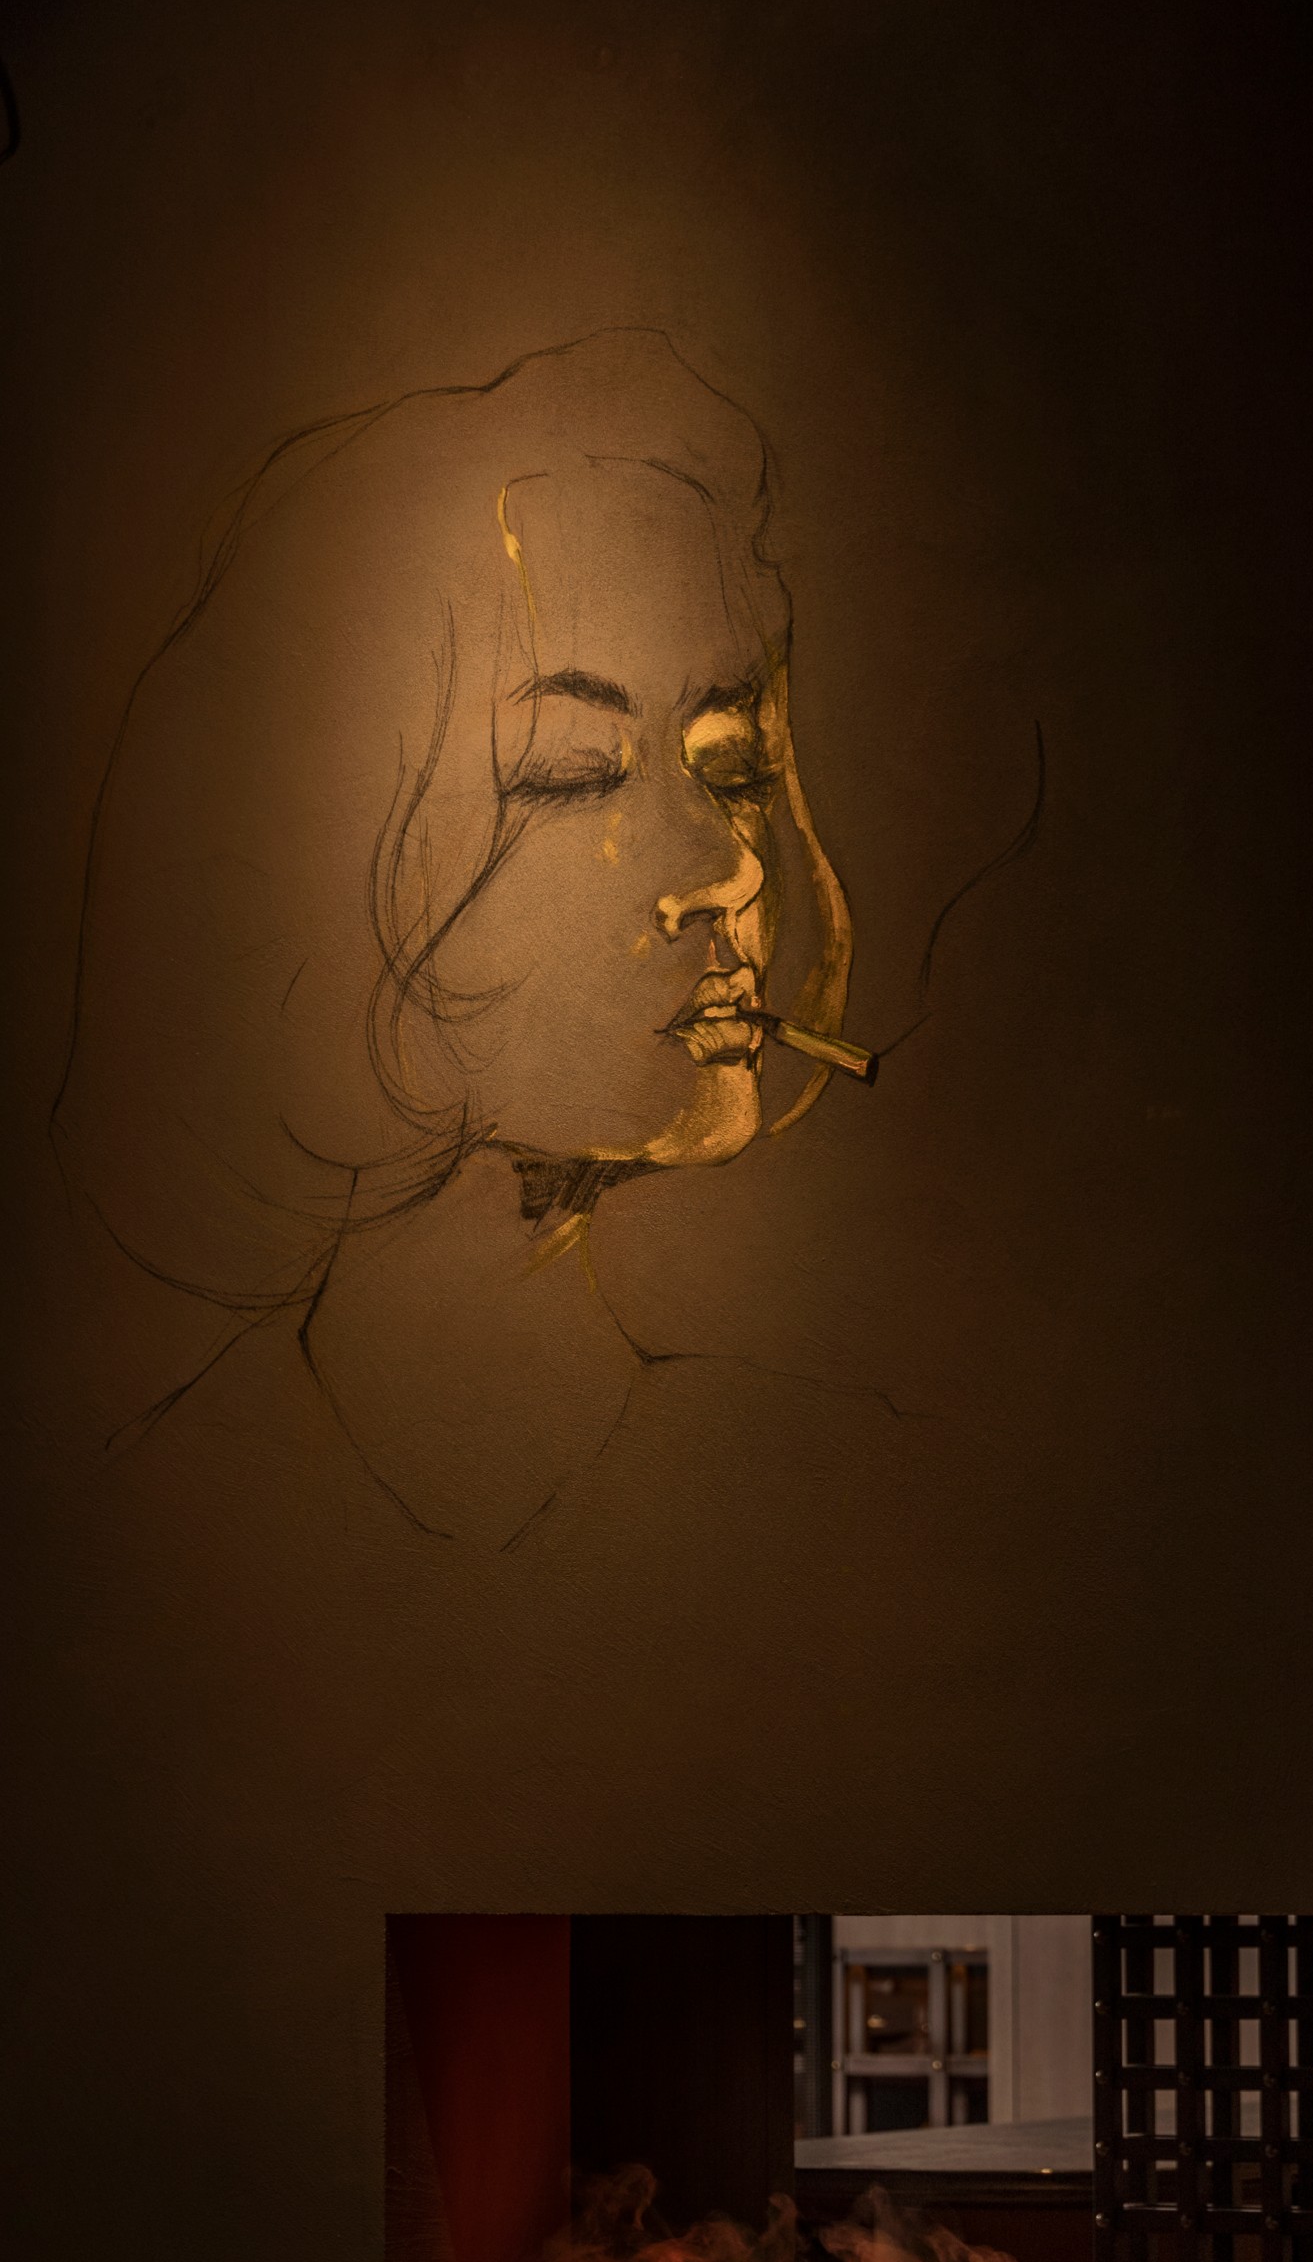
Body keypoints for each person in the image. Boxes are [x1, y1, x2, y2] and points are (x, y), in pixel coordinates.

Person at [52, 329, 855, 1543]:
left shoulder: (841, 1494)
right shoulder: (133, 1533)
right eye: (571, 773)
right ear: (326, 877)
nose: (726, 869)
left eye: (735, 764)